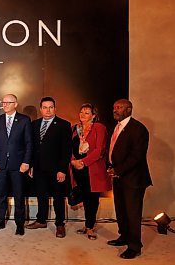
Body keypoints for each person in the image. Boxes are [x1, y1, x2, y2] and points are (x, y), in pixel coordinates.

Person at [106, 99, 151, 259]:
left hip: (133, 179)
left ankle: (134, 246)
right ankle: (123, 236)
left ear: (129, 109)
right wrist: (111, 167)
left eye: (119, 107)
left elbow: (137, 156)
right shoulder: (117, 127)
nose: (115, 110)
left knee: (133, 213)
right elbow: (113, 150)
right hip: (118, 177)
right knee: (121, 210)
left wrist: (118, 170)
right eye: (114, 107)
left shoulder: (138, 129)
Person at [26, 97, 72, 238]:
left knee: (58, 197)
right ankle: (41, 220)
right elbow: (32, 148)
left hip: (56, 169)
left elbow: (66, 150)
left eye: (51, 107)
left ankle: (59, 224)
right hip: (39, 168)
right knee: (41, 196)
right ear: (41, 109)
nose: (48, 110)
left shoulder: (64, 125)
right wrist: (32, 166)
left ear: (55, 109)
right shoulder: (34, 124)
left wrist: (62, 169)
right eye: (45, 107)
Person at [0, 94, 32, 235]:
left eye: (9, 102)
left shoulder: (24, 120)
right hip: (0, 165)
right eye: (3, 102)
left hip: (18, 165)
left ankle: (19, 224)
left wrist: (26, 162)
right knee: (1, 195)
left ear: (15, 104)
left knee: (19, 196)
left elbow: (28, 143)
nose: (5, 105)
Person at [69, 103, 111, 240]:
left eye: (86, 113)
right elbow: (69, 148)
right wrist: (73, 161)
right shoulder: (75, 129)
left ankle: (90, 227)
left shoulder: (99, 128)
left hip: (92, 169)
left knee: (92, 199)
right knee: (84, 197)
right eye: (81, 112)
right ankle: (87, 224)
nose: (82, 115)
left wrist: (83, 162)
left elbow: (99, 150)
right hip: (77, 169)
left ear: (93, 115)